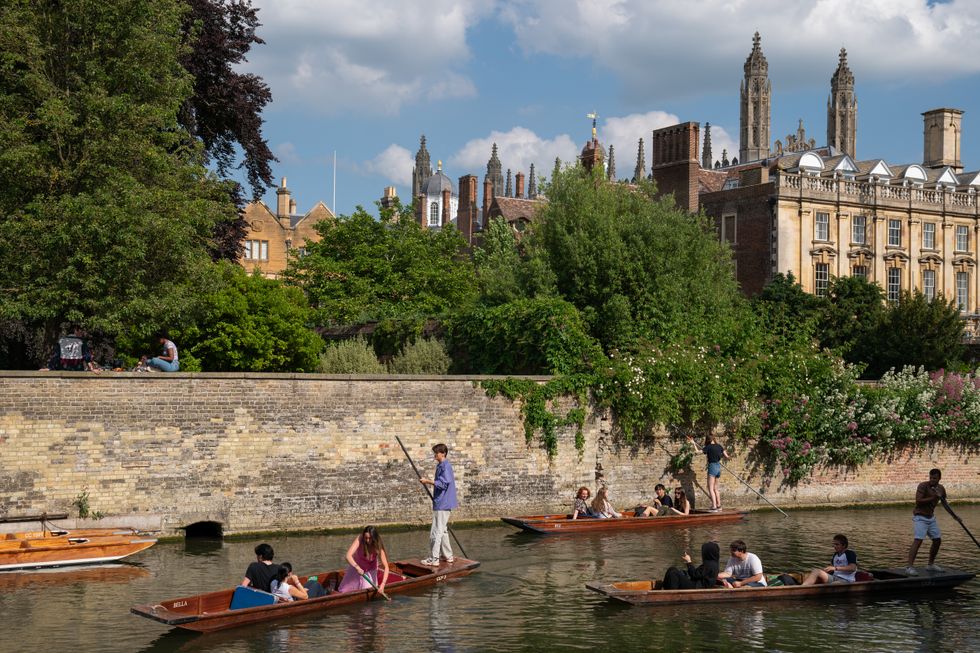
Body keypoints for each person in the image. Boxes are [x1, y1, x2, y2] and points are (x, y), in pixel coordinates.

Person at [419, 443, 458, 567]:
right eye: (434, 453)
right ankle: (448, 556)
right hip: (441, 502)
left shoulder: (446, 466)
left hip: (443, 503)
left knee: (436, 531)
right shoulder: (441, 466)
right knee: (443, 531)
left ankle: (434, 558)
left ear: (443, 453)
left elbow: (443, 484)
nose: (435, 455)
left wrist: (428, 481)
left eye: (436, 453)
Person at [907, 468, 946, 575]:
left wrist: (955, 516)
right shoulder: (923, 486)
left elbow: (944, 503)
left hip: (931, 518)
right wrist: (933, 496)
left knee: (937, 540)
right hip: (920, 517)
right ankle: (909, 567)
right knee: (918, 540)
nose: (932, 480)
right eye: (931, 477)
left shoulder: (941, 489)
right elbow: (918, 501)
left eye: (935, 478)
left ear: (939, 478)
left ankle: (930, 564)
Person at [338, 526, 390, 593]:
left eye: (370, 538)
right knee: (344, 590)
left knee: (367, 590)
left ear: (374, 538)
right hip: (356, 567)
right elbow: (348, 556)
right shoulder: (360, 538)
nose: (368, 541)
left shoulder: (378, 546)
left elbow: (386, 567)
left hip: (370, 570)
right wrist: (357, 567)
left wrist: (383, 584)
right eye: (366, 538)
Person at [692, 434, 730, 511]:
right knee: (716, 488)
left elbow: (697, 452)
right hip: (718, 467)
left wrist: (693, 443)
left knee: (710, 488)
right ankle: (719, 506)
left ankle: (714, 506)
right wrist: (728, 457)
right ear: (713, 439)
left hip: (712, 467)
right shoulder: (719, 446)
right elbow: (726, 455)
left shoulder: (708, 447)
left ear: (707, 440)